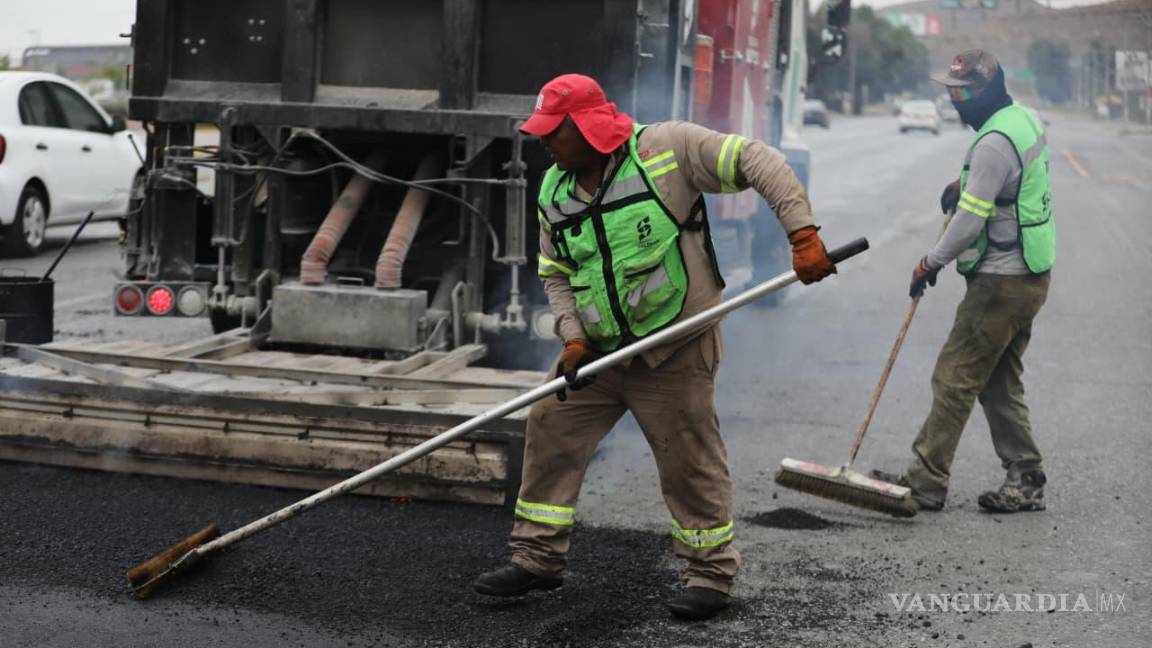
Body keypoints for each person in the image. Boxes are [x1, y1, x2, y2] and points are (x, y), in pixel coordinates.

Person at [472, 74, 836, 620]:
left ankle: (710, 575)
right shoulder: (554, 189)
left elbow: (760, 159)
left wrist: (802, 235)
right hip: (598, 352)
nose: (543, 141)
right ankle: (536, 557)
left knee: (688, 459)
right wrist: (572, 335)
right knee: (550, 423)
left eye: (554, 131)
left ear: (587, 128)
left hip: (675, 345)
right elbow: (556, 272)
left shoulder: (666, 150)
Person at [872, 50, 1055, 513]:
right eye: (951, 91)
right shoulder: (1021, 119)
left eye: (964, 92)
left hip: (1002, 282)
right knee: (997, 381)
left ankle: (926, 481)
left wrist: (929, 263)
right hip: (1029, 276)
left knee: (954, 378)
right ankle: (1026, 474)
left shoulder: (994, 142)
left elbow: (971, 220)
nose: (956, 100)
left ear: (988, 90)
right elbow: (1005, 181)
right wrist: (967, 182)